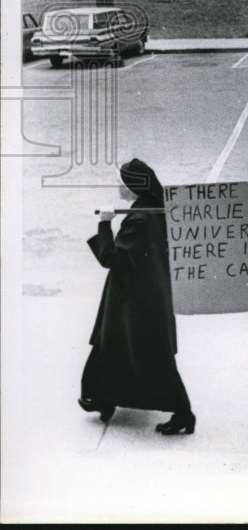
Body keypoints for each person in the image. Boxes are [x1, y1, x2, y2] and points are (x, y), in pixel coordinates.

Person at [78, 158, 195, 435]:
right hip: (144, 292)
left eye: (122, 181)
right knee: (116, 346)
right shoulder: (151, 209)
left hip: (135, 299)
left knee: (145, 354)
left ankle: (183, 413)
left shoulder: (140, 218)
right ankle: (102, 398)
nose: (120, 186)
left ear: (133, 186)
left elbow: (112, 258)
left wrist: (104, 224)